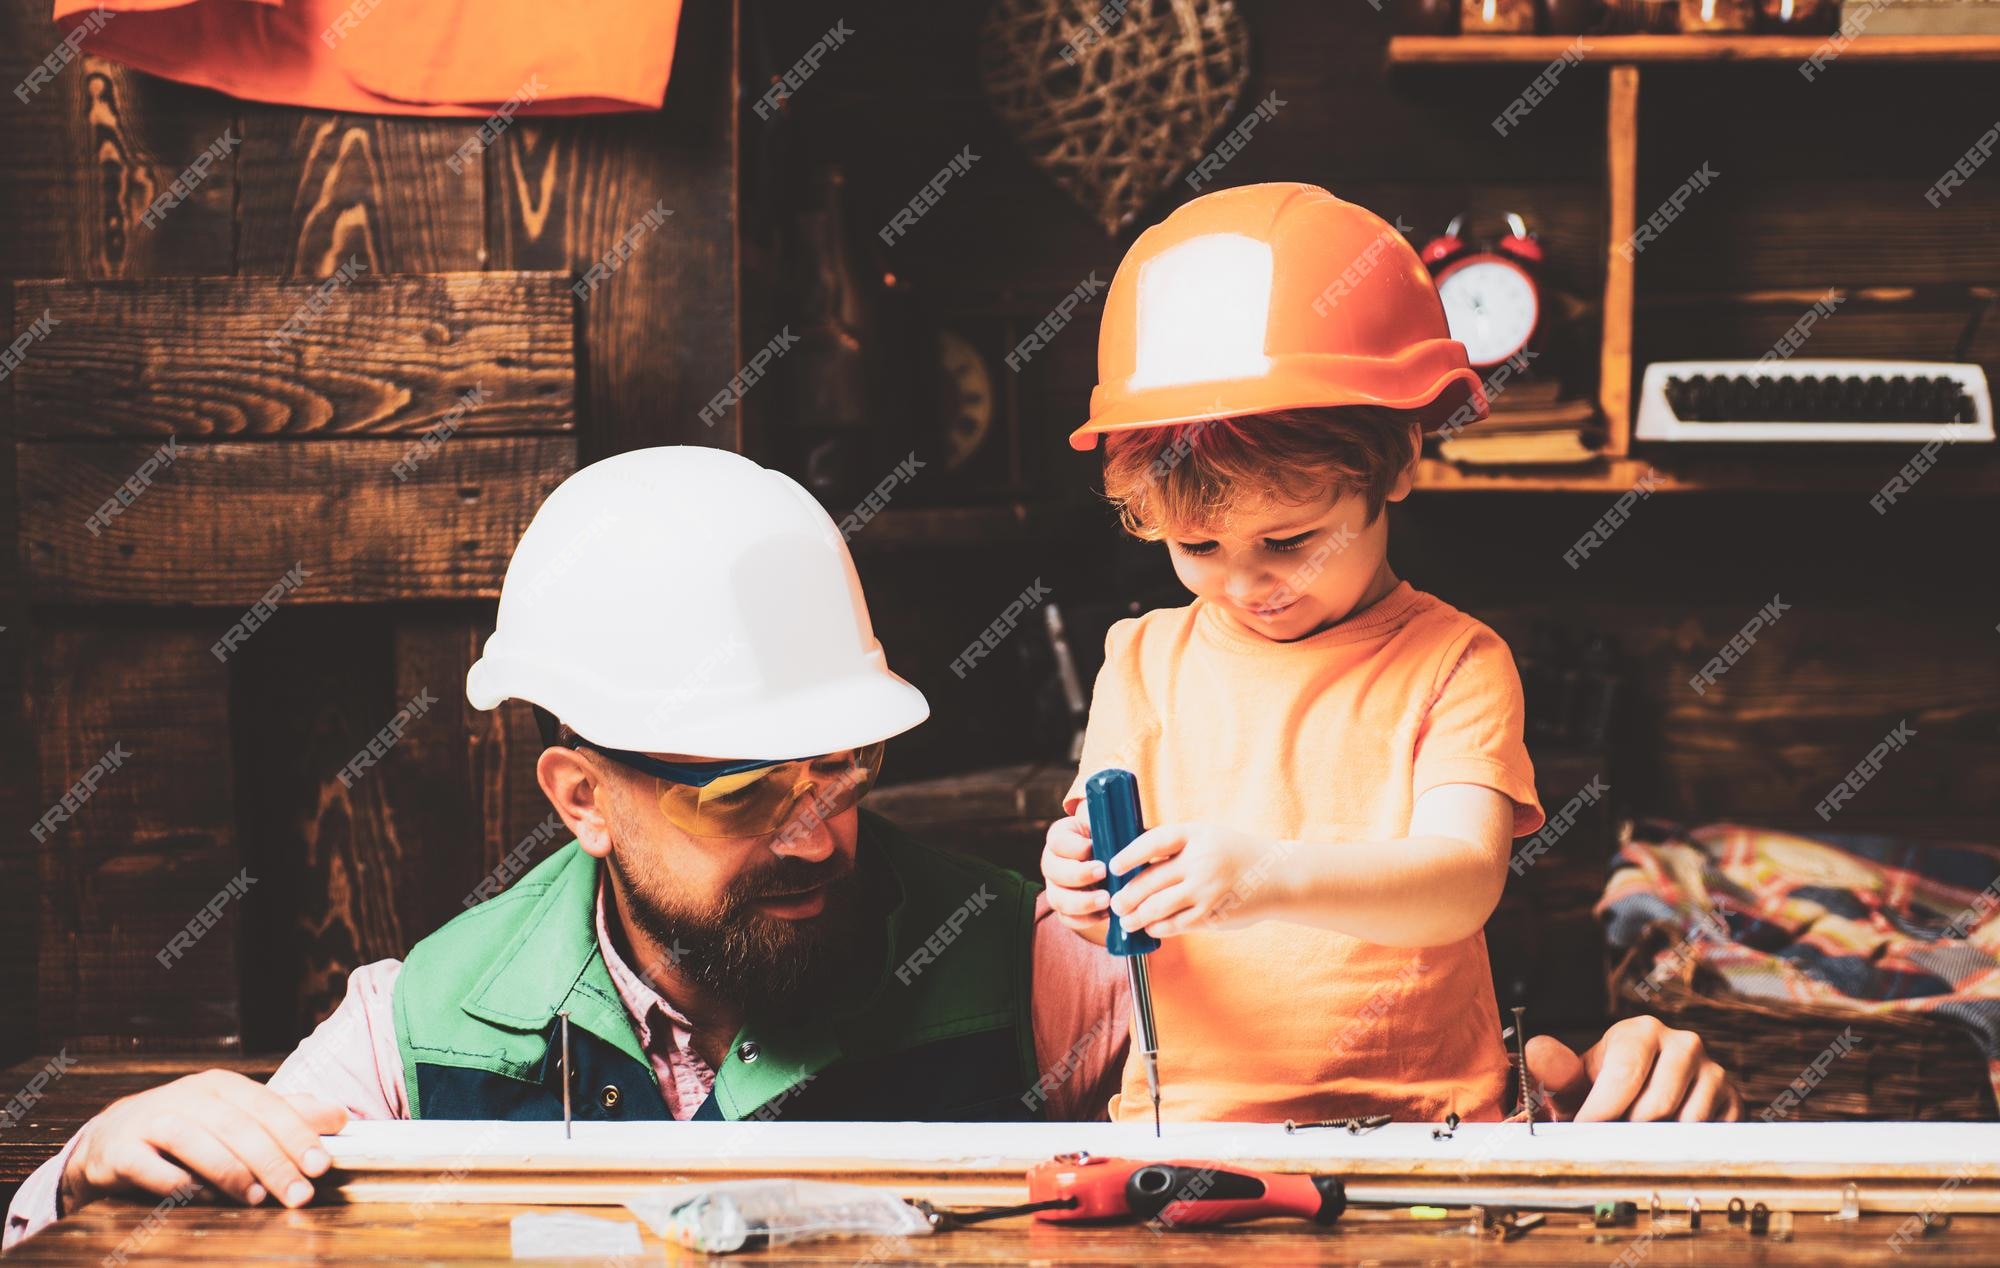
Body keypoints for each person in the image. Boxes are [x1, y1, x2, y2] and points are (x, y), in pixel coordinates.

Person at [6, 447, 1737, 1251]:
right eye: (742, 792)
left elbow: (1338, 1100)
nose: (820, 824)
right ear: (580, 796)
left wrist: (1586, 1079)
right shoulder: (418, 1029)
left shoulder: (1034, 972)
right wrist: (100, 1143)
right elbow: (91, 1209)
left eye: (840, 767)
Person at [1040, 182, 1742, 1128]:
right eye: (1197, 548)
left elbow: (1458, 884)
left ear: (1399, 464)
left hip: (1427, 1131)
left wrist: (1269, 875)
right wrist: (1082, 886)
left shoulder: (1453, 662)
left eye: (1290, 541)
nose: (1247, 584)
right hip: (1186, 1122)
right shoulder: (1139, 660)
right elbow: (1114, 914)